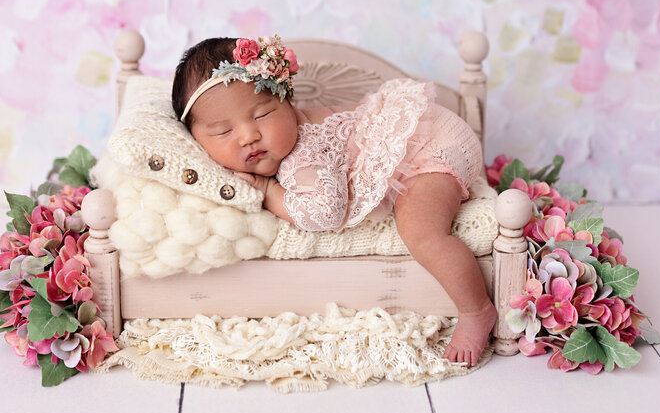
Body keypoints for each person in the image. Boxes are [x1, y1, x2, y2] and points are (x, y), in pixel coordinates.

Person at [171, 35, 496, 367]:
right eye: (223, 132)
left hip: (430, 144)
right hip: (427, 129)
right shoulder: (269, 141)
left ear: (287, 102)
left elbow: (326, 211)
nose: (248, 136)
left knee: (421, 232)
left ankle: (476, 310)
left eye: (262, 114)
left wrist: (271, 193)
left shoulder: (302, 154)